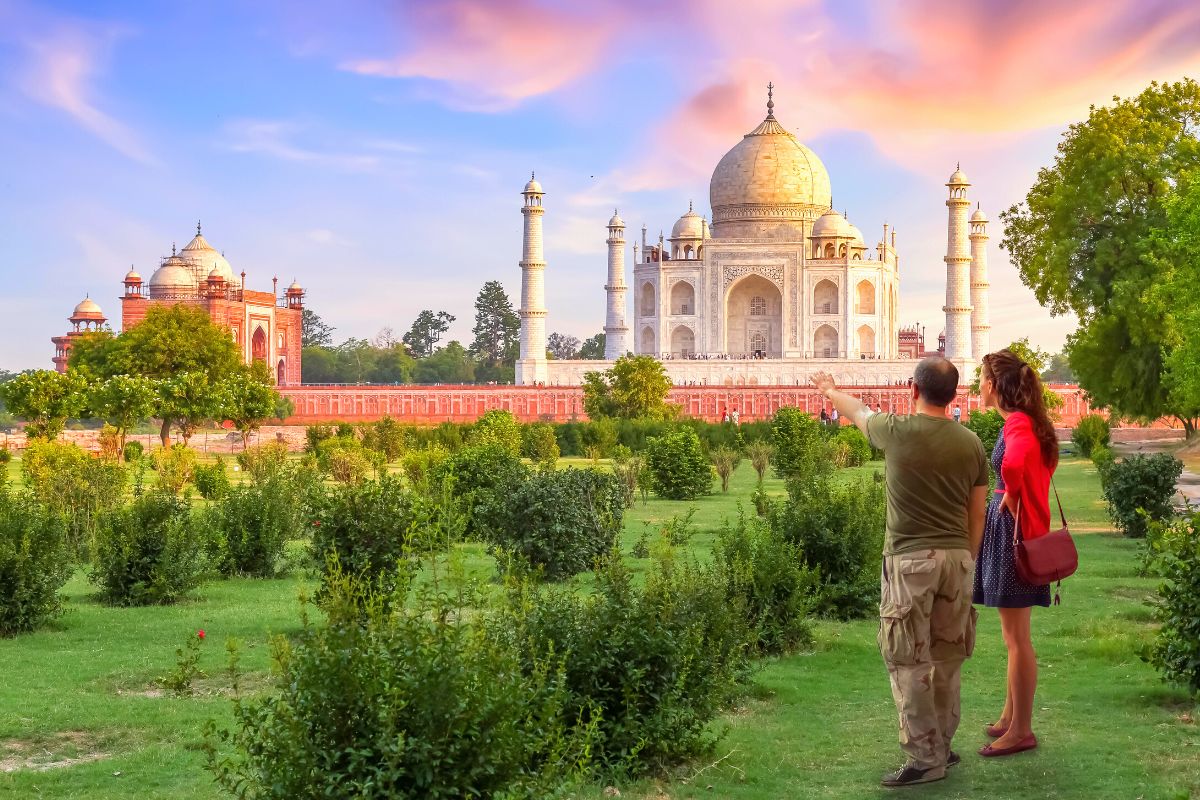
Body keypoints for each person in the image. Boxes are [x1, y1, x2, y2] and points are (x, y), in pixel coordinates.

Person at [813, 357, 988, 788]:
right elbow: (978, 512)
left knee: (908, 660)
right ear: (954, 395)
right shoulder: (971, 443)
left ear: (913, 390)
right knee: (947, 658)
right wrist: (967, 558)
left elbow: (858, 412)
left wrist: (829, 390)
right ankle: (941, 746)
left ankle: (926, 758)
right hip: (957, 558)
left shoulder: (896, 431)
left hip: (910, 562)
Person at [973, 349, 1059, 758]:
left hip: (1014, 536)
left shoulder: (1018, 423)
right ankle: (1010, 717)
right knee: (1014, 637)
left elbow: (1017, 461)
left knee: (1016, 639)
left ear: (993, 385)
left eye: (981, 379)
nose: (978, 386)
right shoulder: (1026, 420)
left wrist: (1010, 490)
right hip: (1015, 531)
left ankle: (1021, 730)